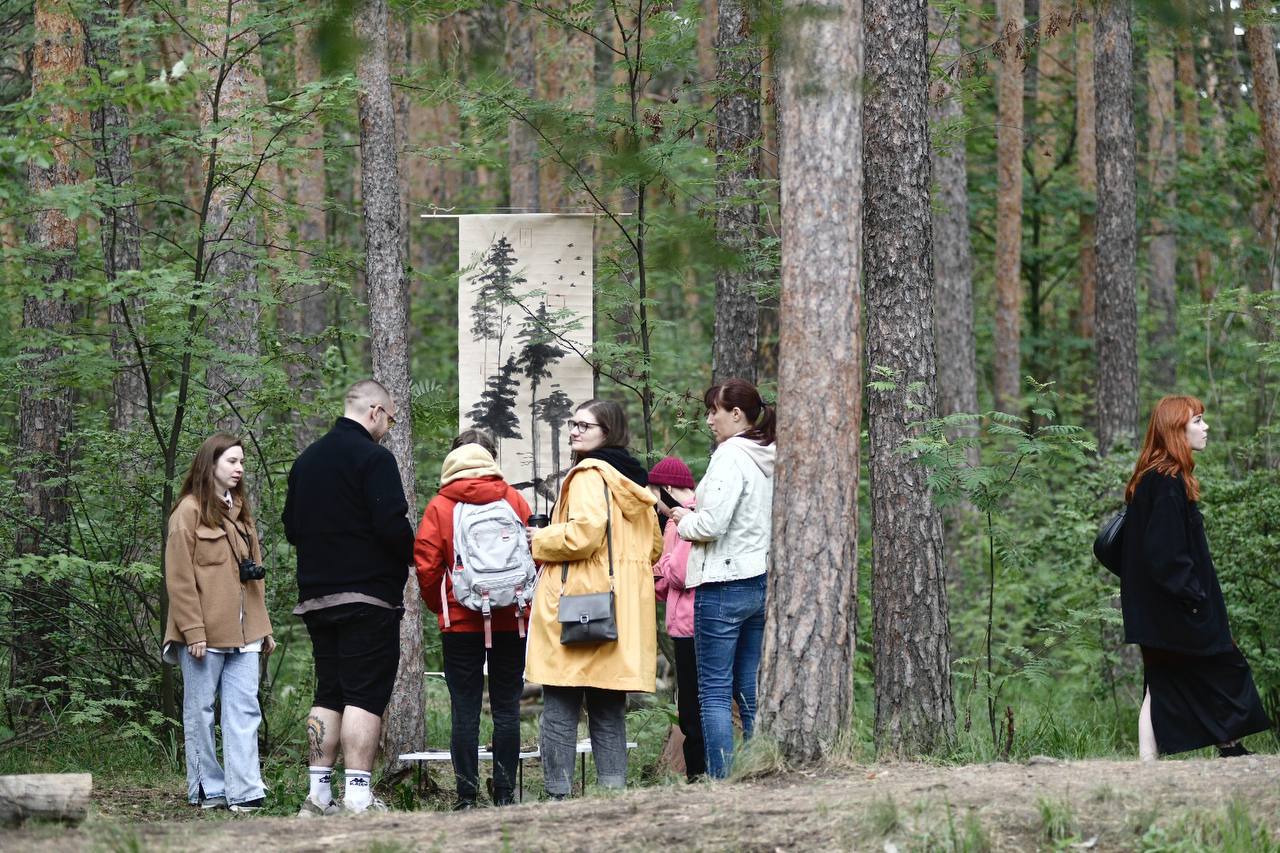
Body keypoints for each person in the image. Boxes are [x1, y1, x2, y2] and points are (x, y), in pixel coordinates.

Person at [282, 379, 414, 816]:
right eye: (390, 418)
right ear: (375, 411)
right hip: (368, 596)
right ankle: (358, 796)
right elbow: (391, 526)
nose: (388, 427)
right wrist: (411, 556)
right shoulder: (374, 459)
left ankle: (318, 795)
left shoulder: (306, 461)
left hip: (317, 596)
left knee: (329, 692)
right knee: (364, 695)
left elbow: (291, 529)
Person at [1121, 395, 1271, 761]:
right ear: (1176, 430)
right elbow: (1166, 553)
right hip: (1175, 606)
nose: (1205, 428)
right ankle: (1225, 747)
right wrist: (1194, 597)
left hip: (1160, 606)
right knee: (1221, 666)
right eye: (1198, 421)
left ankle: (1159, 760)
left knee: (1167, 677)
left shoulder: (1156, 478)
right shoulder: (1167, 481)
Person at [526, 399, 663, 798]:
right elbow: (653, 547)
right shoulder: (636, 482)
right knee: (607, 706)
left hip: (579, 606)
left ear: (609, 431)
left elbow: (584, 534)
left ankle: (557, 794)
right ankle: (612, 793)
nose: (574, 431)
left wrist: (542, 538)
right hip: (622, 609)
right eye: (573, 423)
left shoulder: (589, 474)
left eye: (584, 425)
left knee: (559, 703)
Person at [414, 429, 531, 809]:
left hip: (462, 621)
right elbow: (535, 553)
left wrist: (441, 606)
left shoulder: (440, 505)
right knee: (507, 708)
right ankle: (505, 795)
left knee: (464, 709)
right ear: (491, 458)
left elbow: (427, 566)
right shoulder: (513, 499)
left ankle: (466, 797)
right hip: (511, 618)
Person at [163, 432, 274, 813]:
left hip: (246, 633)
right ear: (210, 464)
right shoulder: (187, 512)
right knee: (201, 710)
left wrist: (264, 628)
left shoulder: (241, 511)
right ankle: (207, 789)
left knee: (244, 709)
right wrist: (192, 631)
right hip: (204, 634)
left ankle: (244, 791)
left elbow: (253, 576)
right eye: (232, 461)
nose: (239, 469)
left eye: (242, 462)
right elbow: (179, 580)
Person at [669, 379, 775, 779]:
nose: (709, 419)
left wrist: (684, 519)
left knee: (712, 691)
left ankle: (721, 778)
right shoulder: (767, 454)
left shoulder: (730, 455)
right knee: (748, 685)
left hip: (723, 582)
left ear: (736, 414)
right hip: (759, 579)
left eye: (714, 410)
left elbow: (711, 524)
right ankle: (761, 764)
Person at [649, 456, 705, 781]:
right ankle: (697, 773)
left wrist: (661, 567)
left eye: (654, 494)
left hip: (693, 623)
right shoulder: (673, 523)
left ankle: (701, 775)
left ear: (667, 488)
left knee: (695, 706)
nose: (654, 505)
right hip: (681, 622)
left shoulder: (691, 518)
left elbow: (679, 573)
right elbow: (661, 585)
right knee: (688, 705)